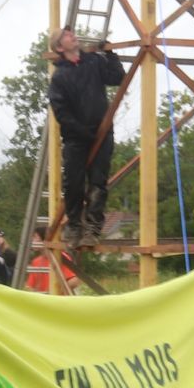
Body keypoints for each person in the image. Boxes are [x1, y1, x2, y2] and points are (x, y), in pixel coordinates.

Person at [46, 26, 125, 251]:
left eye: (72, 34)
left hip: (102, 132)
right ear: (60, 47)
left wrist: (110, 55)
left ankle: (92, 229)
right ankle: (75, 227)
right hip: (76, 137)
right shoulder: (60, 76)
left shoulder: (93, 61)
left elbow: (118, 78)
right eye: (67, 36)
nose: (73, 36)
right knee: (73, 183)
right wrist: (82, 131)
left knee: (98, 182)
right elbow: (61, 112)